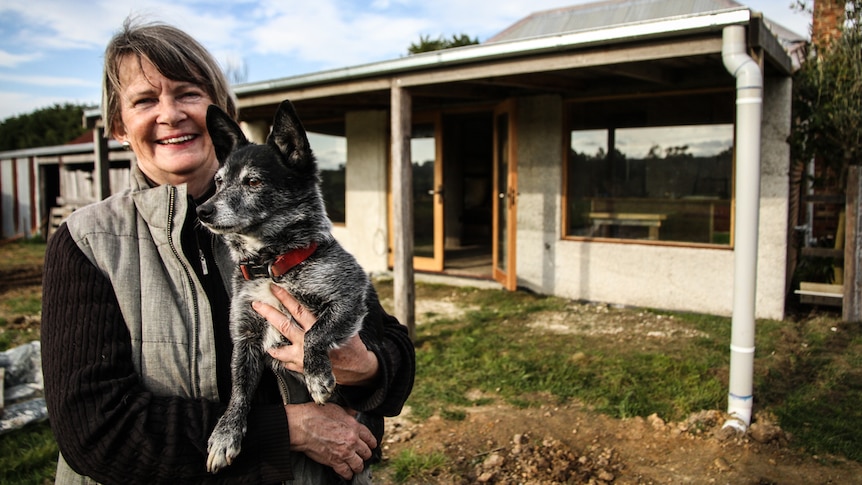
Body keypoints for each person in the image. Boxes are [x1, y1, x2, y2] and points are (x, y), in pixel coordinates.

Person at [41, 17, 415, 485]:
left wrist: (365, 369)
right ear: (119, 125)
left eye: (187, 93)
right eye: (144, 100)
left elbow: (395, 358)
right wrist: (290, 430)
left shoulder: (289, 230)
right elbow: (94, 432)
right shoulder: (89, 242)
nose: (170, 113)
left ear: (221, 113)